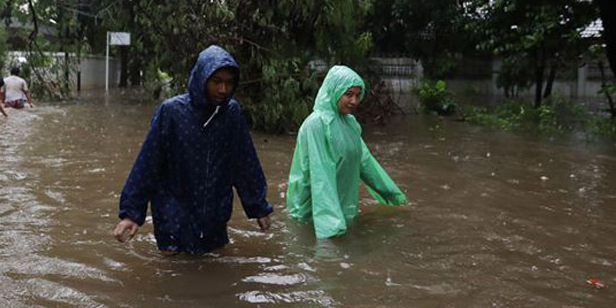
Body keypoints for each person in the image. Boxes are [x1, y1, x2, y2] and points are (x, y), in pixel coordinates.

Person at [114, 45, 272, 254]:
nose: (223, 90)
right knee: (173, 273)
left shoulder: (231, 114)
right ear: (202, 79)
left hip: (215, 218)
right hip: (173, 217)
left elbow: (245, 163)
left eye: (228, 83)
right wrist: (131, 214)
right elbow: (148, 163)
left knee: (214, 272)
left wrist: (258, 207)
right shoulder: (171, 112)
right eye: (217, 82)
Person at [286, 65, 407, 239]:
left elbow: (365, 162)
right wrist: (330, 227)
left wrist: (394, 196)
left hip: (341, 209)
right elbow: (321, 174)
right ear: (334, 90)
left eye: (358, 95)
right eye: (348, 94)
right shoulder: (316, 124)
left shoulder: (350, 124)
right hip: (311, 214)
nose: (354, 101)